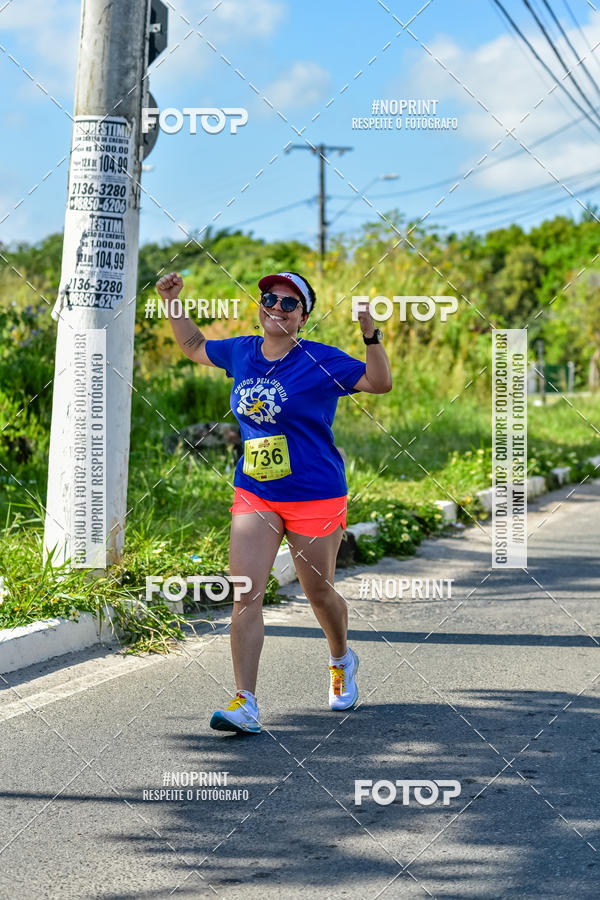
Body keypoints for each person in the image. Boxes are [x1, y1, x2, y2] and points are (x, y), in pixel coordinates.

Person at [156, 270, 392, 734]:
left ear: (303, 317)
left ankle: (342, 659)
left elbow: (378, 382)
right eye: (270, 299)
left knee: (318, 593)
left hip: (315, 494)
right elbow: (193, 346)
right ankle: (245, 701)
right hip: (256, 492)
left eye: (289, 303)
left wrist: (370, 334)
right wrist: (171, 301)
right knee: (245, 593)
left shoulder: (320, 360)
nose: (276, 308)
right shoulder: (242, 350)